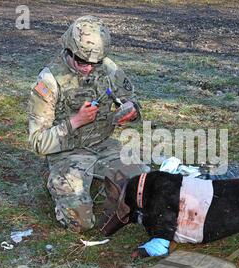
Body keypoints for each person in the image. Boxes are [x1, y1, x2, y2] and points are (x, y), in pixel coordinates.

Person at [28, 15, 149, 233]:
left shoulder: (108, 68)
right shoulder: (48, 81)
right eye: (82, 62)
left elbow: (132, 101)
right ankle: (54, 177)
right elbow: (38, 143)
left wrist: (131, 111)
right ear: (68, 50)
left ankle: (94, 179)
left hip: (103, 145)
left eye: (95, 63)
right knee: (81, 222)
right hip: (66, 152)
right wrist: (75, 122)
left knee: (145, 189)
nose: (88, 69)